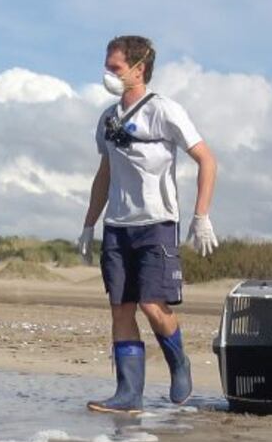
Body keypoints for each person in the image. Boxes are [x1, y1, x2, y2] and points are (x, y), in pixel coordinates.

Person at [78, 35, 218, 414]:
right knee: (121, 308)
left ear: (139, 69)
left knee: (151, 304)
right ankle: (128, 394)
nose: (108, 73)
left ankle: (179, 363)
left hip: (156, 222)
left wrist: (201, 215)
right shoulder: (107, 118)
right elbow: (104, 173)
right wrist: (90, 224)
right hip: (117, 225)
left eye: (115, 68)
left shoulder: (163, 111)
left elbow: (206, 159)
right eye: (107, 66)